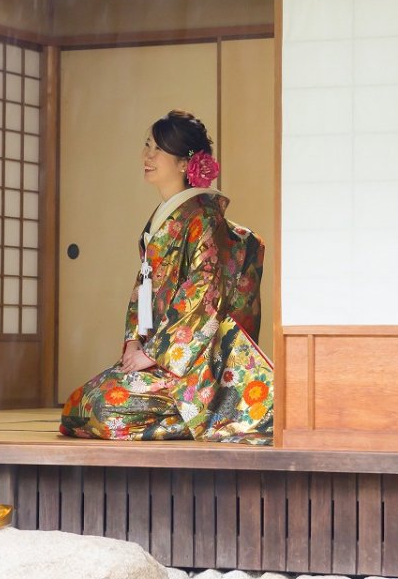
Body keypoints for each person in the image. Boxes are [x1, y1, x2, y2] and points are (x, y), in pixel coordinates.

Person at [60, 110, 273, 445]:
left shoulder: (202, 218)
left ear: (185, 164)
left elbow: (205, 295)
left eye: (158, 150)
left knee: (101, 409)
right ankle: (177, 414)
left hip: (191, 367)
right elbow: (142, 290)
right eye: (148, 146)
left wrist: (154, 352)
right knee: (80, 404)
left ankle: (201, 415)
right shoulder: (165, 217)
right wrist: (134, 341)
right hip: (161, 356)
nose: (148, 156)